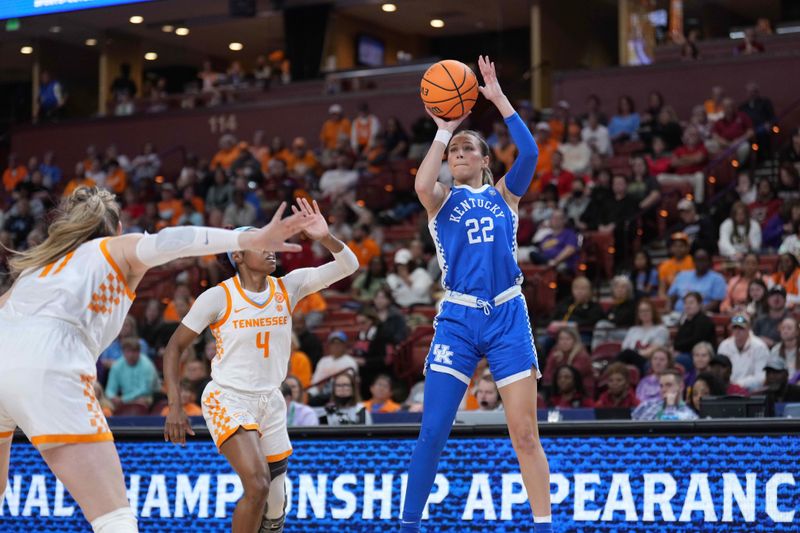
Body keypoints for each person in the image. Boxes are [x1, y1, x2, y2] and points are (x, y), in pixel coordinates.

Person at [0, 187, 311, 533]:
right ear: (117, 228)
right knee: (114, 518)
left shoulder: (38, 267)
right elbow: (172, 240)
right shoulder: (111, 248)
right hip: (48, 360)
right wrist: (250, 238)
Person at [401, 56, 552, 533]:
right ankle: (407, 526)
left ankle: (546, 526)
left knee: (525, 434)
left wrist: (499, 99)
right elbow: (422, 182)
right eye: (454, 152)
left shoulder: (506, 196)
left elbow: (528, 154)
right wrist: (444, 130)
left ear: (486, 161)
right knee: (432, 433)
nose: (459, 155)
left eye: (469, 149)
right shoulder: (441, 199)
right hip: (459, 319)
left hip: (507, 313)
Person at [162, 198, 357, 533]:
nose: (272, 250)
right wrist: (175, 406)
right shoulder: (217, 297)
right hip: (229, 397)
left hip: (271, 400)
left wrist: (325, 238)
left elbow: (348, 265)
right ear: (237, 255)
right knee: (257, 485)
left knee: (276, 501)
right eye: (262, 244)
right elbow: (173, 348)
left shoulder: (289, 287)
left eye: (273, 244)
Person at [717, 314, 771, 392]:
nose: (737, 331)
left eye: (741, 328)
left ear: (749, 328)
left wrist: (738, 385)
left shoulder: (760, 346)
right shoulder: (724, 346)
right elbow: (719, 372)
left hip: (752, 391)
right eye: (735, 328)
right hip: (727, 390)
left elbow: (761, 377)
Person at [104, 337, 160, 408]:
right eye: (128, 351)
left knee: (142, 401)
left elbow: (145, 389)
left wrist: (123, 399)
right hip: (124, 398)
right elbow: (109, 390)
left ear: (139, 352)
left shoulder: (147, 365)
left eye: (134, 351)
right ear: (123, 352)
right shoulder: (116, 366)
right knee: (106, 405)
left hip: (149, 396)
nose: (131, 355)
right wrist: (113, 397)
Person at [667, 249, 727, 314]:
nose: (700, 263)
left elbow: (717, 302)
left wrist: (694, 312)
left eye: (703, 260)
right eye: (697, 260)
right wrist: (668, 309)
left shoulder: (717, 278)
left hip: (702, 315)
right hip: (678, 314)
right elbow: (672, 296)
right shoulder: (682, 275)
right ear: (693, 261)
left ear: (710, 262)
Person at [618, 299, 670, 372]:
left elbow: (653, 351)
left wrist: (634, 353)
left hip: (648, 361)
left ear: (653, 312)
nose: (644, 313)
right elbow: (624, 348)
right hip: (629, 359)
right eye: (641, 311)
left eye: (647, 310)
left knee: (627, 353)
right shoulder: (633, 330)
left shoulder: (661, 329)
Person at [542, 327, 593, 397]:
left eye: (568, 339)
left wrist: (560, 362)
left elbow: (570, 378)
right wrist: (553, 360)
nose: (564, 342)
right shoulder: (555, 353)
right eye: (561, 339)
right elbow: (546, 378)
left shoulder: (582, 356)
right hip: (561, 394)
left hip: (582, 395)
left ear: (575, 341)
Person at [632, 370, 698, 421]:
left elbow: (667, 430)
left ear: (681, 387)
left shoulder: (688, 414)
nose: (663, 390)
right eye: (661, 386)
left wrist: (670, 406)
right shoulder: (647, 405)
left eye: (668, 385)